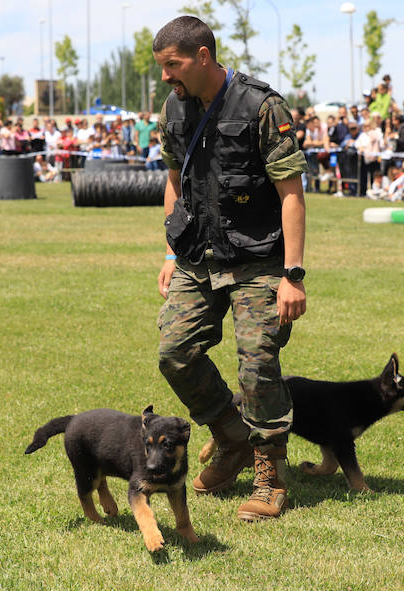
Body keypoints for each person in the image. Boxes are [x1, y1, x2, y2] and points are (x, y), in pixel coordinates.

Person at [153, 15, 307, 522]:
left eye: (172, 65)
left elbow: (291, 193)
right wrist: (171, 254)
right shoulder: (173, 109)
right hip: (197, 257)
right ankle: (231, 436)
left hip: (257, 261)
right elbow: (175, 180)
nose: (165, 77)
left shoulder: (262, 106)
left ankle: (270, 477)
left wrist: (293, 275)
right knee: (174, 353)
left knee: (257, 362)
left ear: (202, 56)